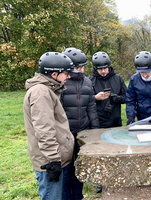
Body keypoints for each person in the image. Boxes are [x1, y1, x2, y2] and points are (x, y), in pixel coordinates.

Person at [23, 52, 75, 200]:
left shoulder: (48, 90)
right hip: (49, 161)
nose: (68, 77)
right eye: (66, 73)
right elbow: (44, 129)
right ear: (54, 74)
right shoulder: (41, 93)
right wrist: (53, 160)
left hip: (54, 157)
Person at [61, 47, 100, 200]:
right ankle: (65, 197)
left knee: (79, 167)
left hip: (82, 132)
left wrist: (95, 131)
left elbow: (91, 108)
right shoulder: (61, 84)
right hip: (66, 134)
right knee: (66, 168)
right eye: (78, 67)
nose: (81, 70)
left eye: (83, 66)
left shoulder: (87, 82)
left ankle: (78, 196)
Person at [89, 51, 127, 128]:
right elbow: (84, 101)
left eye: (105, 68)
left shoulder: (118, 79)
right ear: (95, 68)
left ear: (109, 67)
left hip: (116, 121)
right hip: (98, 122)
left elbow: (127, 97)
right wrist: (95, 98)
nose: (103, 71)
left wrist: (116, 98)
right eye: (100, 69)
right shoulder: (89, 81)